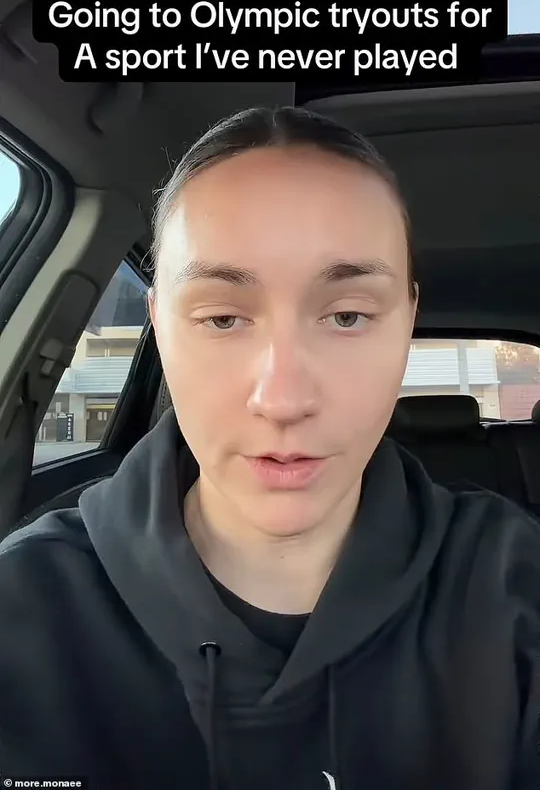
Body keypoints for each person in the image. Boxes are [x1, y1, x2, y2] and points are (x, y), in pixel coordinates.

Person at [0, 106, 539, 790]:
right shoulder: (22, 609)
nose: (283, 399)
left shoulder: (518, 592)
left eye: (347, 315)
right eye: (223, 318)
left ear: (407, 321)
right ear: (160, 326)